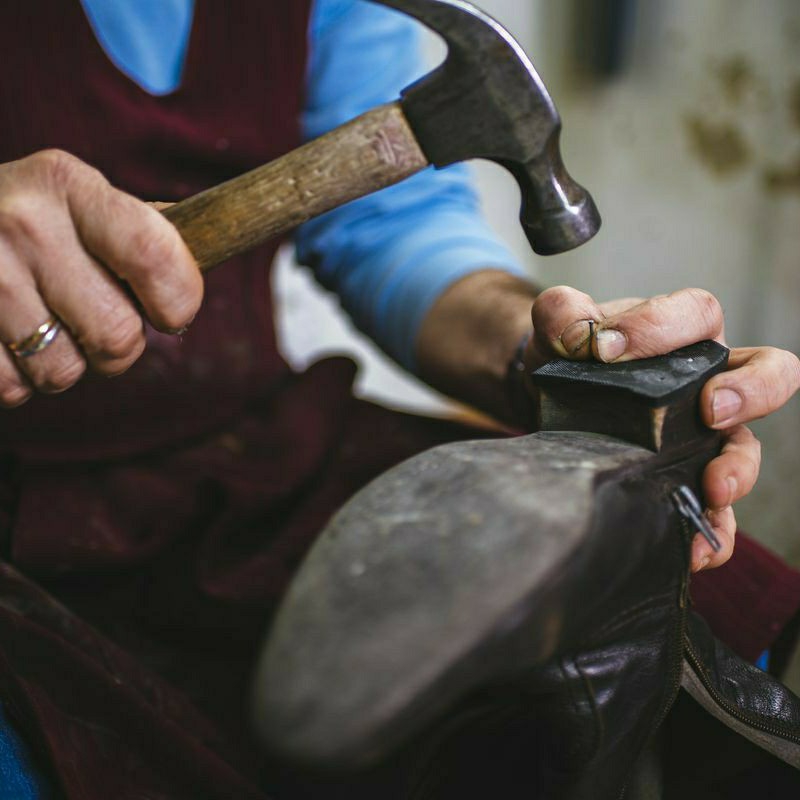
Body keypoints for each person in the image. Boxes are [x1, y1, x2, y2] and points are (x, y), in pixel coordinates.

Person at [0, 1, 798, 797]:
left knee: (730, 610)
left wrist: (546, 351)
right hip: (18, 513)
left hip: (255, 457)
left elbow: (390, 228)